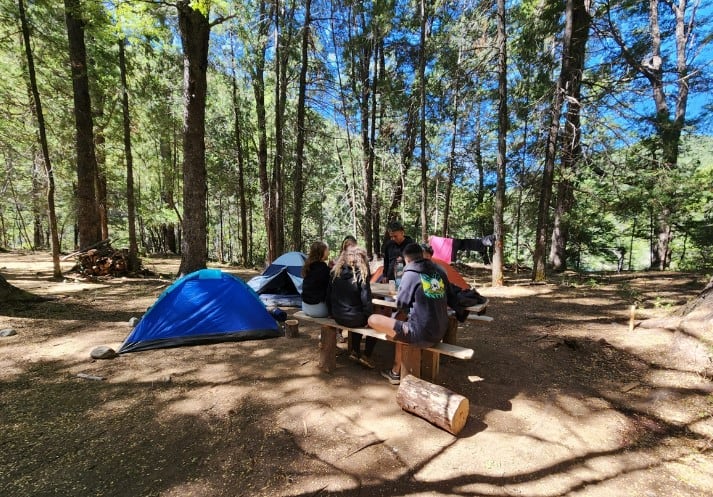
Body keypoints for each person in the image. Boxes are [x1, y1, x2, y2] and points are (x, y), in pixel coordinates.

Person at [368, 243, 459, 385]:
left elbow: (401, 305)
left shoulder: (410, 274)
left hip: (421, 334)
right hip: (441, 330)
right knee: (401, 320)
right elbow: (451, 297)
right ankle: (396, 370)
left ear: (407, 259)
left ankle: (395, 372)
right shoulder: (439, 271)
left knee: (373, 319)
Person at [327, 244, 376, 368]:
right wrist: (369, 318)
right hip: (353, 318)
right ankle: (367, 356)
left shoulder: (335, 273)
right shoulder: (361, 275)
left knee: (358, 316)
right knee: (376, 323)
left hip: (337, 315)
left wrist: (331, 312)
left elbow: (328, 296)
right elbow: (366, 301)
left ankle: (355, 351)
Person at [301, 241, 330, 318]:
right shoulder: (323, 269)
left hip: (305, 307)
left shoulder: (308, 266)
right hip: (319, 310)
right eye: (327, 250)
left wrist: (329, 268)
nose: (329, 252)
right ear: (321, 252)